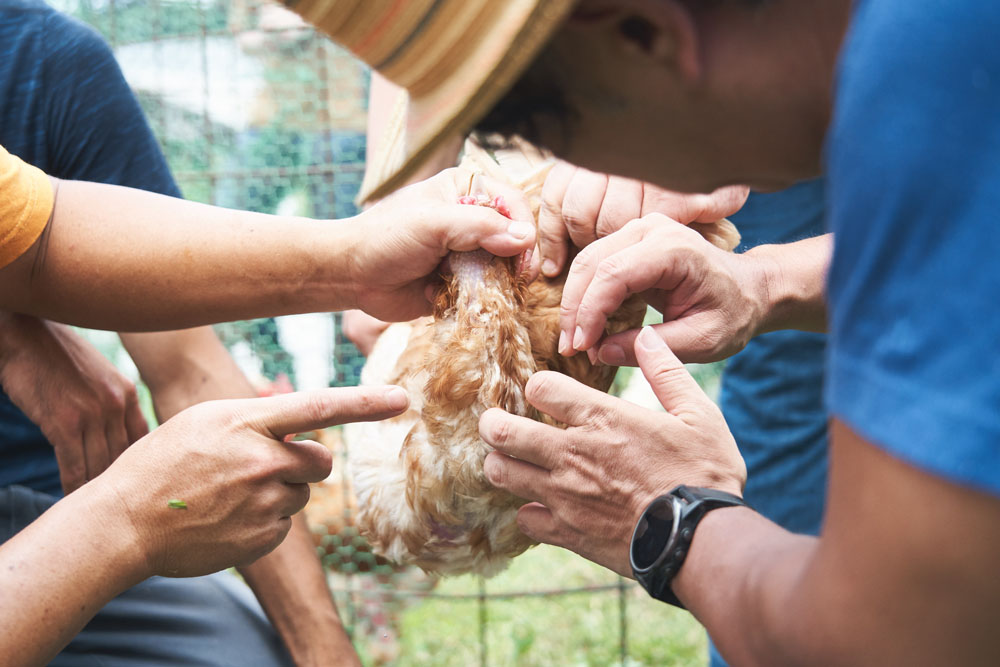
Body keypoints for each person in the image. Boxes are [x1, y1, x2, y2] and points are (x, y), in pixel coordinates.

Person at [286, 0, 1000, 664]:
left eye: (558, 140)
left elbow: (884, 639)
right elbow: (959, 264)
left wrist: (673, 518)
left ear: (642, 33)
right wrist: (765, 283)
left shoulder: (931, 69)